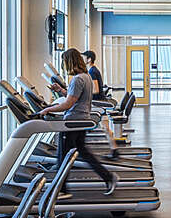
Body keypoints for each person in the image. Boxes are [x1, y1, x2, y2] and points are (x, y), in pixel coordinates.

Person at [38, 48, 116, 194]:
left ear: (70, 62)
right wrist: (61, 90)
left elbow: (68, 104)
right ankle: (108, 177)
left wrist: (48, 109)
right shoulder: (85, 77)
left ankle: (62, 190)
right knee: (83, 153)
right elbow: (74, 96)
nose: (63, 65)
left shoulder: (77, 79)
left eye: (64, 62)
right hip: (81, 119)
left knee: (62, 157)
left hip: (72, 122)